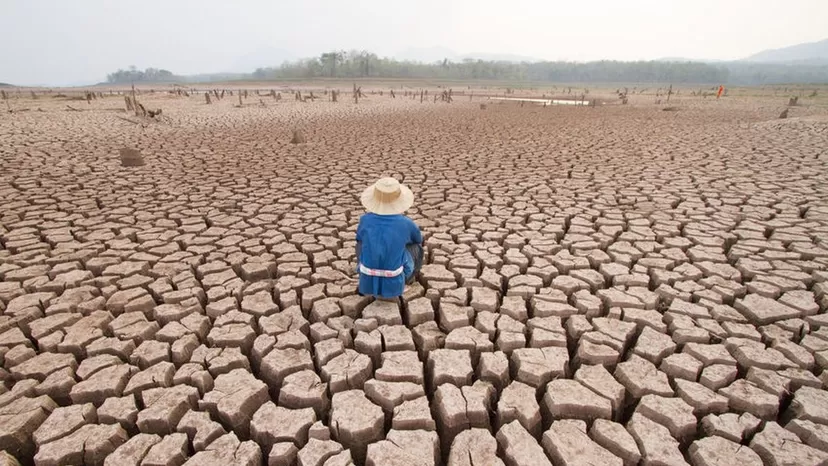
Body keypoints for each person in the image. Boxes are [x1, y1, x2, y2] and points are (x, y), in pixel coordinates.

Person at [356, 177, 423, 299]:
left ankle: (363, 274)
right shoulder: (405, 223)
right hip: (394, 280)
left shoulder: (364, 220)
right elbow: (418, 239)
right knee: (415, 247)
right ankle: (408, 279)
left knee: (361, 243)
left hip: (367, 278)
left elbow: (359, 238)